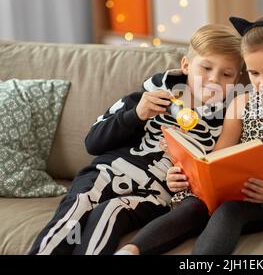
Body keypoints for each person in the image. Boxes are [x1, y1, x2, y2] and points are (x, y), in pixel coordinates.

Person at [116, 8, 263, 255]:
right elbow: (218, 154)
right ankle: (130, 251)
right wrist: (186, 175)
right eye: (253, 73)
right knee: (192, 206)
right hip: (228, 189)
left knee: (229, 209)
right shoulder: (242, 102)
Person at [28, 24, 243, 255]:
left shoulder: (229, 119)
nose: (213, 79)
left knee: (112, 210)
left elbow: (212, 175)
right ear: (186, 66)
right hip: (106, 172)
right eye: (206, 68)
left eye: (226, 74)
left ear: (236, 78)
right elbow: (92, 143)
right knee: (79, 205)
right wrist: (135, 115)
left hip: (154, 194)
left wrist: (185, 180)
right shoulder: (147, 98)